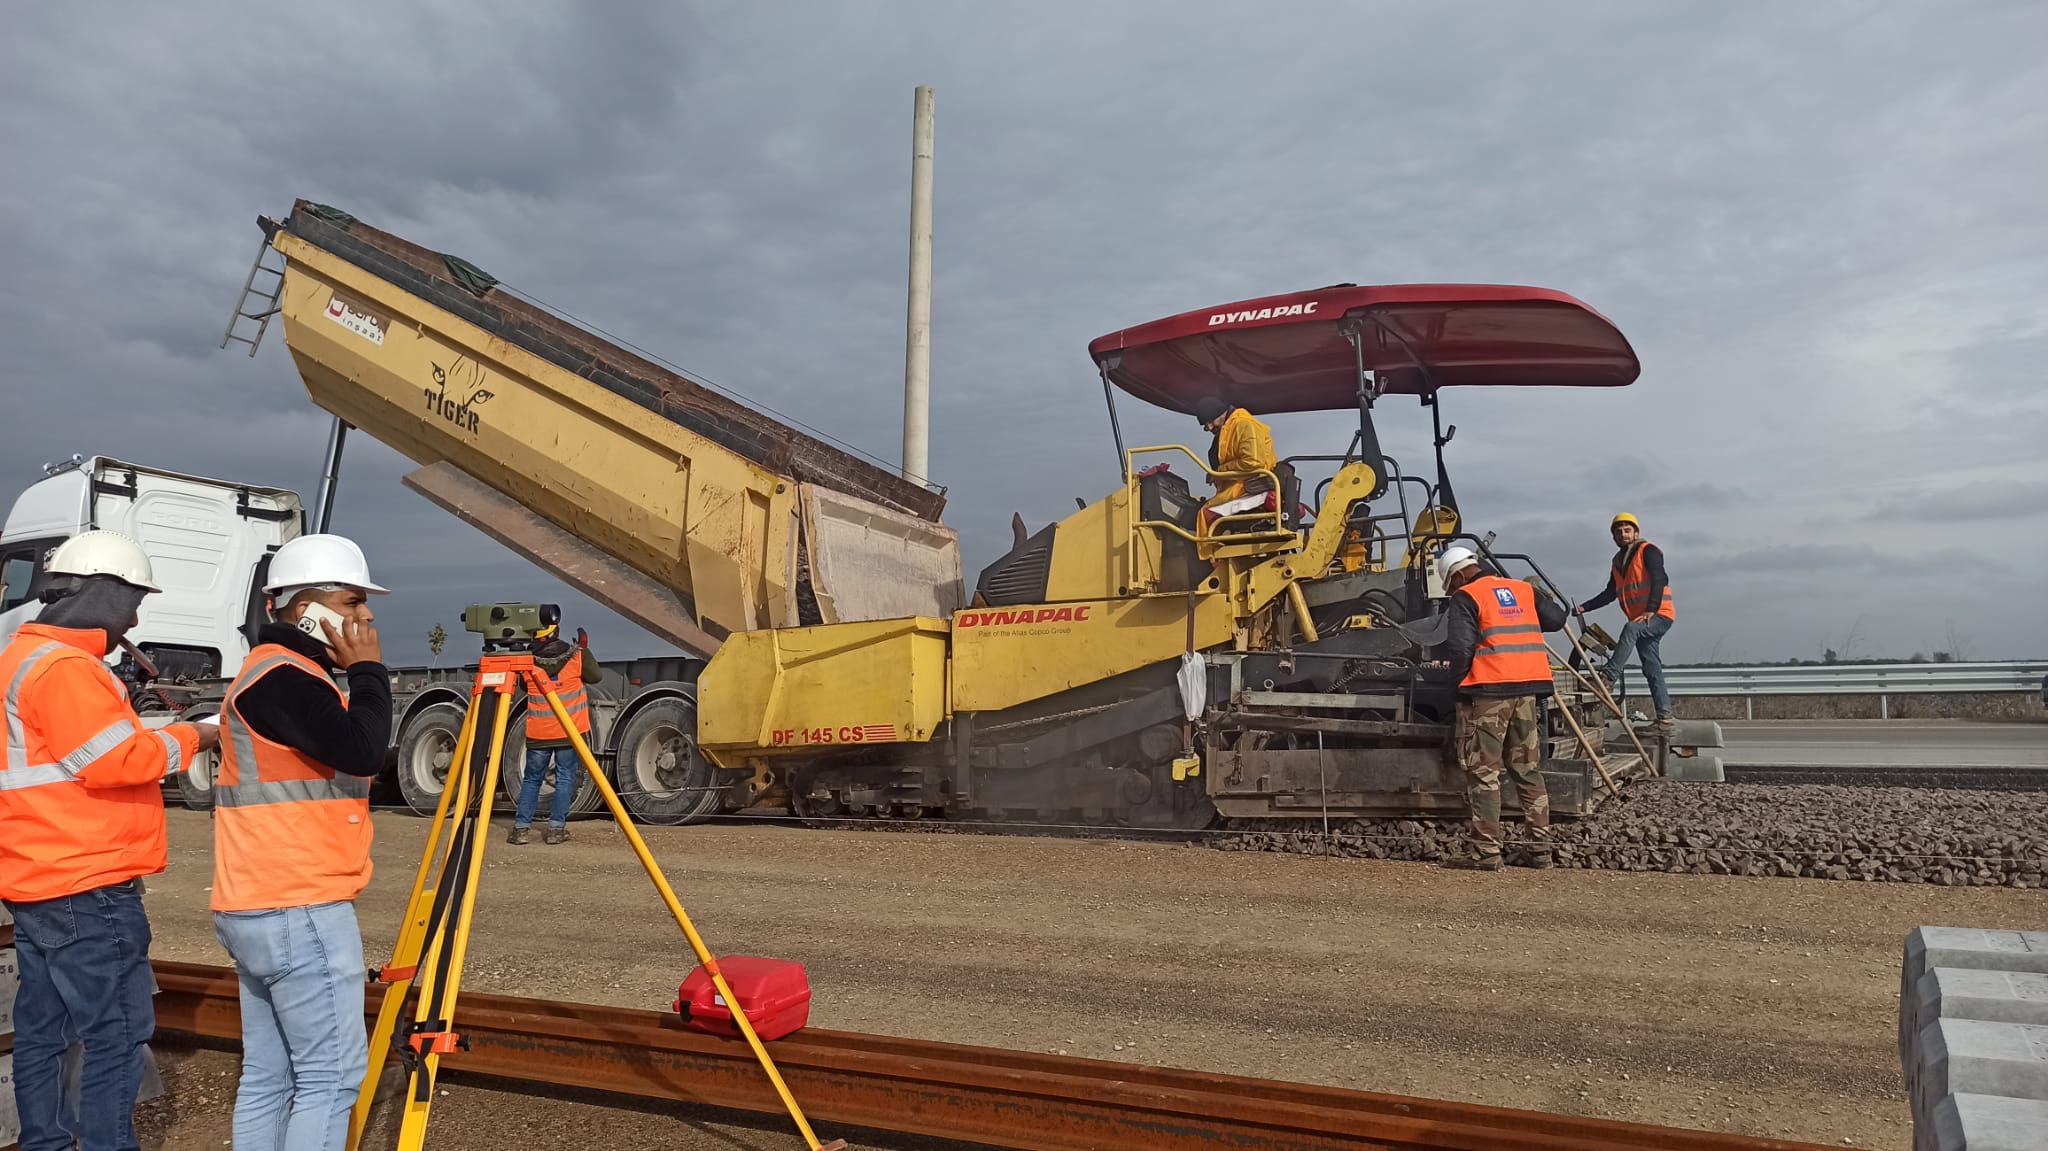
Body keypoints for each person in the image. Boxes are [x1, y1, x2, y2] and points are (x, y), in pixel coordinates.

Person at [0, 530, 214, 1151]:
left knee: (43, 1027)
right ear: (102, 595)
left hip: (36, 876)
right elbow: (116, 761)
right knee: (114, 1032)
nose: (137, 617)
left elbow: (66, 754)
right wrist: (197, 736)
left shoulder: (19, 659)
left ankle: (47, 1142)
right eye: (133, 600)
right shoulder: (68, 669)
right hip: (86, 882)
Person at [210, 533, 391, 1151]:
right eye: (351, 601)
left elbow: (347, 756)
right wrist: (369, 671)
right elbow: (363, 748)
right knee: (332, 1078)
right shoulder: (285, 679)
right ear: (302, 609)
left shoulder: (275, 675)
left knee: (270, 1075)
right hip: (299, 906)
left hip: (255, 902)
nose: (365, 617)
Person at [1436, 545, 1566, 871]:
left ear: (1460, 574)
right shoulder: (1523, 590)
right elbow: (1556, 618)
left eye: (1452, 584)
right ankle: (1540, 852)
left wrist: (1459, 693)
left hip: (1490, 692)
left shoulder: (1467, 597)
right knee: (1528, 771)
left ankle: (1486, 853)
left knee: (1484, 773)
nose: (1454, 591)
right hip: (1528, 690)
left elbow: (1460, 648)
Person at [1572, 512, 1676, 732]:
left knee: (1630, 628)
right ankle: (1665, 716)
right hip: (1642, 621)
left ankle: (1608, 678)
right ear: (1614, 537)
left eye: (1627, 530)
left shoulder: (1648, 550)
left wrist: (1650, 610)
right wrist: (1584, 607)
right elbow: (1610, 593)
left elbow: (1659, 578)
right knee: (1651, 667)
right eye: (1618, 532)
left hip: (1659, 614)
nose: (1623, 534)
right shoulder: (1617, 562)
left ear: (1636, 532)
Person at [510, 623, 601, 845]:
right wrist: (584, 649)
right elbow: (595, 676)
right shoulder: (577, 657)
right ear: (556, 632)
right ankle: (555, 831)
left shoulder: (529, 662)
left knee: (532, 780)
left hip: (539, 733)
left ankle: (521, 829)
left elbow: (523, 685)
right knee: (565, 779)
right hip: (568, 732)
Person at [1190, 395, 1278, 532]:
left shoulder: (1243, 424)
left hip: (1250, 487)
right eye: (1205, 425)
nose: (1209, 427)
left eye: (1211, 421)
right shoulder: (1228, 429)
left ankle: (1207, 552)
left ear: (1221, 413)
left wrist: (1219, 473)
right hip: (1242, 487)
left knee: (1205, 514)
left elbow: (1252, 462)